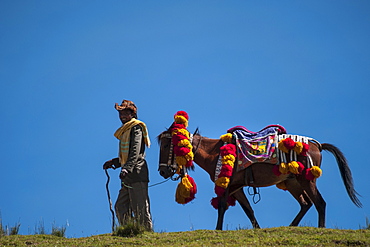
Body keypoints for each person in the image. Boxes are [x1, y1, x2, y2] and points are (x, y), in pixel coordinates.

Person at [103, 99, 153, 231]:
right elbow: (126, 155)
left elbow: (135, 151)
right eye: (120, 114)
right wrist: (114, 163)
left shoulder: (136, 127)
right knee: (120, 207)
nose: (122, 116)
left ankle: (147, 235)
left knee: (140, 208)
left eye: (125, 113)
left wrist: (126, 168)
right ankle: (131, 231)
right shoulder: (125, 130)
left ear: (133, 114)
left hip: (136, 173)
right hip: (127, 176)